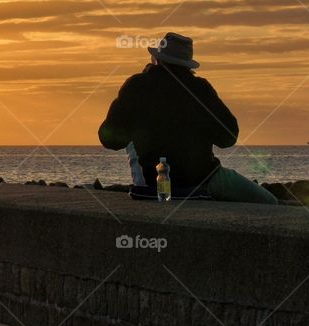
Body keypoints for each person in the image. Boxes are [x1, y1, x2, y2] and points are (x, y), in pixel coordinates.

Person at [99, 32, 277, 204]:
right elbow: (228, 137)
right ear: (188, 65)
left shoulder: (136, 86)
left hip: (154, 183)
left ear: (158, 60)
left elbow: (109, 140)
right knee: (269, 202)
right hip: (204, 179)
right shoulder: (200, 89)